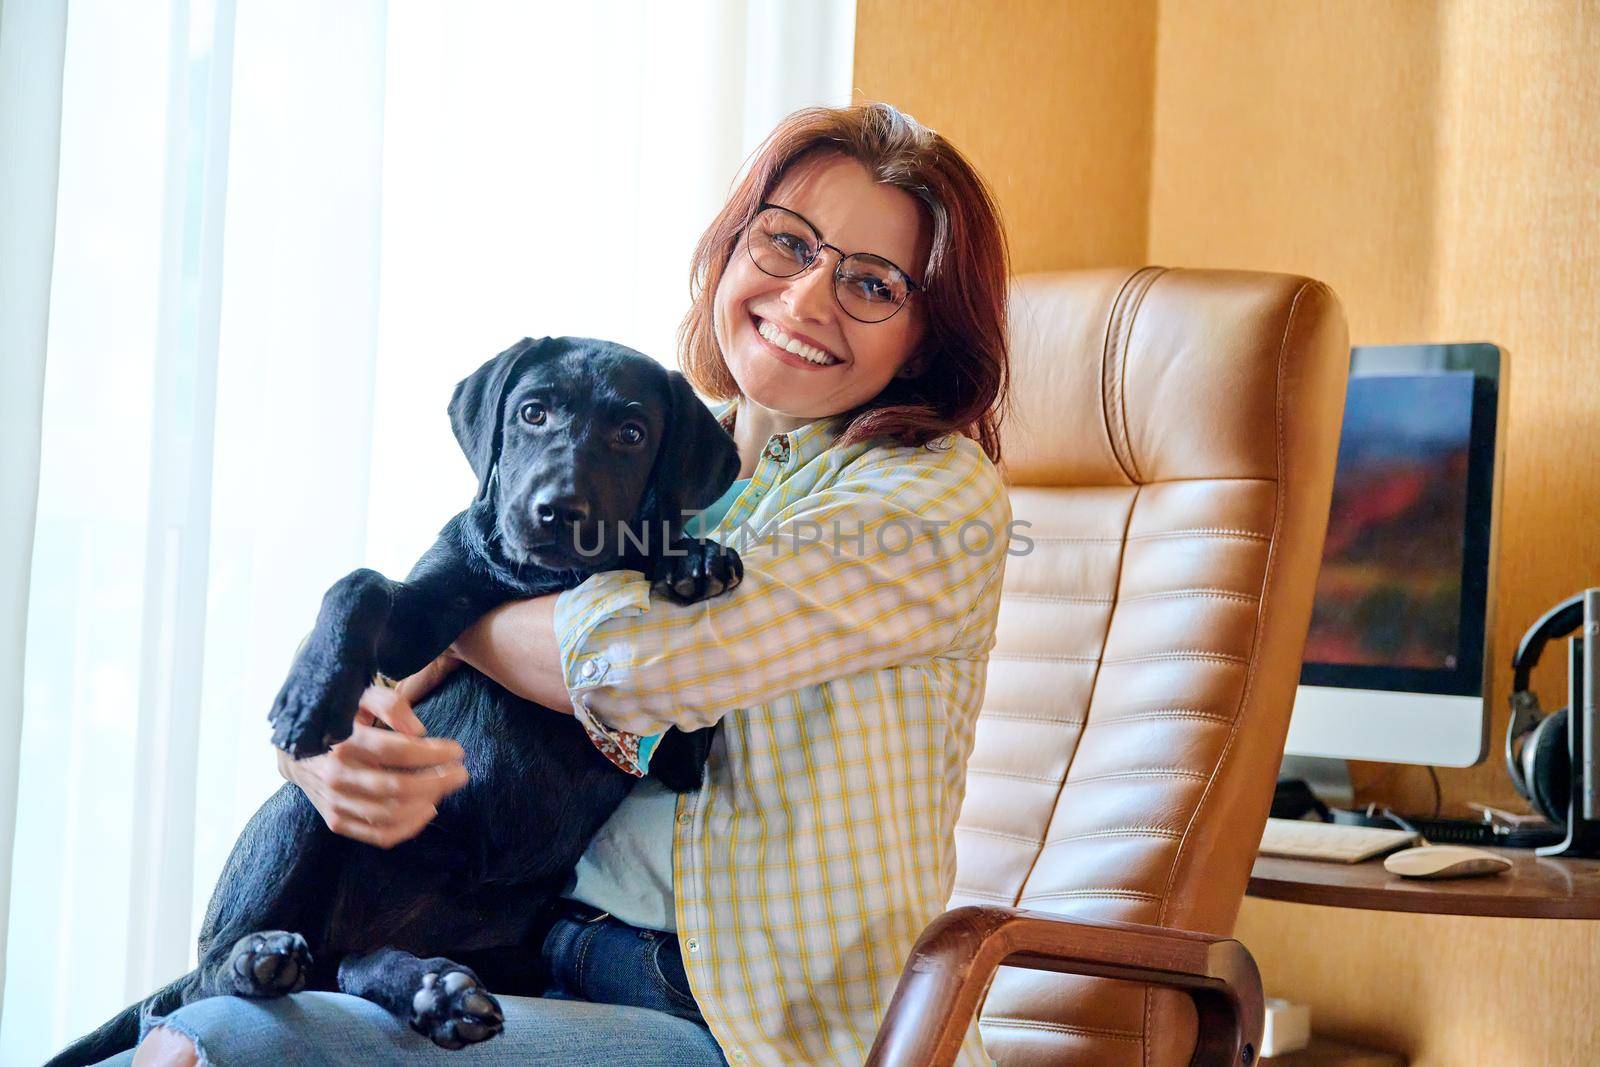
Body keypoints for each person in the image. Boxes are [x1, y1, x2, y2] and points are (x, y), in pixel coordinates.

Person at [119, 100, 1013, 1067]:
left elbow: (637, 668)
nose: (804, 301)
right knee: (176, 1041)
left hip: (740, 1012)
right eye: (787, 244)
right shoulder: (669, 443)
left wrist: (458, 616)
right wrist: (329, 755)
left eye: (872, 282)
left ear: (925, 338)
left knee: (225, 1047)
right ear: (731, 248)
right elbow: (399, 656)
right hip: (524, 947)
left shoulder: (929, 494)